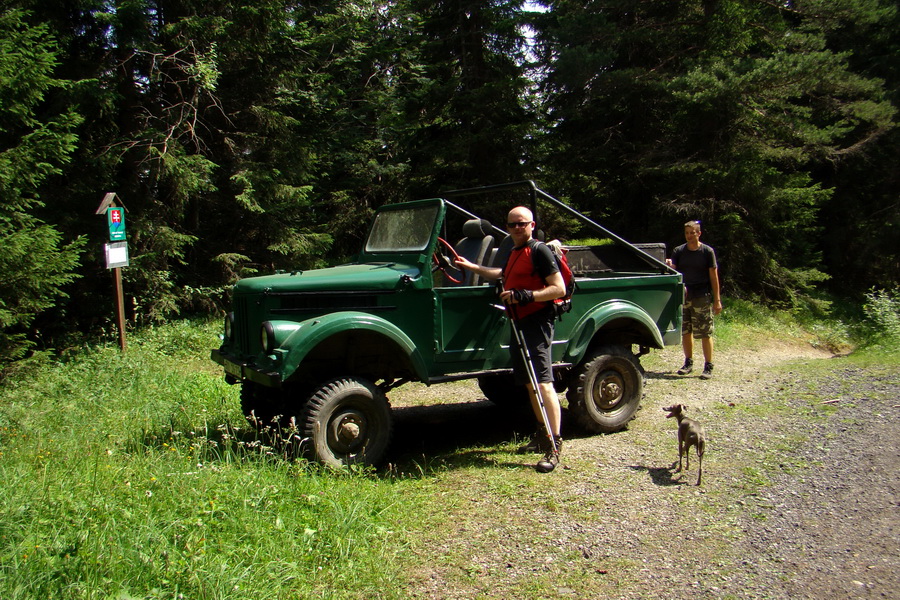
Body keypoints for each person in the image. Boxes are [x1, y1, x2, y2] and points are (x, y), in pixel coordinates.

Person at [455, 206, 566, 472]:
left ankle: (554, 445)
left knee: (543, 384)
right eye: (512, 225)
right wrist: (471, 267)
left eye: (522, 224)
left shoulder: (539, 250)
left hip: (537, 323)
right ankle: (542, 434)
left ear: (532, 225)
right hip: (519, 322)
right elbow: (502, 275)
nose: (517, 228)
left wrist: (525, 296)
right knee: (530, 384)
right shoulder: (515, 252)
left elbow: (558, 288)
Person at [666, 220, 723, 380]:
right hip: (684, 297)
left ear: (699, 233)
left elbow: (714, 276)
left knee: (705, 333)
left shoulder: (707, 252)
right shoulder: (679, 251)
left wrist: (717, 300)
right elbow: (673, 270)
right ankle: (688, 363)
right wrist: (669, 265)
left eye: (693, 233)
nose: (689, 236)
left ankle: (708, 365)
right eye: (687, 233)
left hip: (702, 297)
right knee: (686, 331)